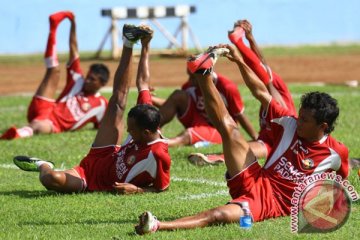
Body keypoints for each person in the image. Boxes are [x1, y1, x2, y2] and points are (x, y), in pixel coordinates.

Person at [135, 45, 349, 234]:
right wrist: (238, 60)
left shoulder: (336, 152)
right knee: (229, 129)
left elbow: (342, 182)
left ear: (322, 127)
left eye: (304, 120)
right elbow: (259, 91)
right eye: (299, 116)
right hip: (256, 176)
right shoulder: (289, 123)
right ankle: (203, 73)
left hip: (268, 203)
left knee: (218, 215)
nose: (298, 121)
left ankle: (157, 225)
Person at [13, 24, 171, 194]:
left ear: (146, 132)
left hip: (91, 179)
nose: (127, 131)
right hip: (106, 152)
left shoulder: (159, 154)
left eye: (131, 129)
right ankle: (128, 41)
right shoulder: (147, 113)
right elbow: (143, 83)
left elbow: (162, 187)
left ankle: (43, 164)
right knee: (118, 101)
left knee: (51, 179)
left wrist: (137, 190)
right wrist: (146, 46)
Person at [188, 19, 297, 165]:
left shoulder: (278, 103)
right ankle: (216, 157)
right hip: (269, 140)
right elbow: (261, 65)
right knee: (246, 145)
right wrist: (248, 40)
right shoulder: (272, 97)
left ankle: (216, 158)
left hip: (279, 141)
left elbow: (262, 76)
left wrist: (240, 55)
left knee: (267, 82)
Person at [0, 11, 110, 140]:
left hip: (54, 124)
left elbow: (102, 125)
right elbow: (74, 49)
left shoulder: (102, 104)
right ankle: (53, 28)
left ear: (101, 84)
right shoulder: (77, 80)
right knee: (54, 70)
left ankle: (17, 134)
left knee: (39, 126)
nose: (87, 80)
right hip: (45, 107)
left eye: (92, 79)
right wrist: (73, 23)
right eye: (88, 76)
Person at [151, 67, 258, 148]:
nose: (189, 80)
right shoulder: (190, 85)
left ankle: (159, 144)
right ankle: (149, 129)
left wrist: (256, 138)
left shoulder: (226, 87)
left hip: (220, 130)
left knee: (188, 134)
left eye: (193, 76)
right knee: (178, 95)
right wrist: (150, 97)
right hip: (198, 120)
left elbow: (239, 115)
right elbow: (171, 104)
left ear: (206, 74)